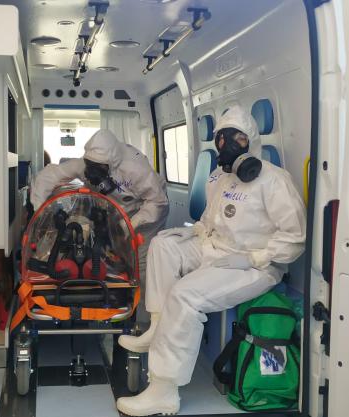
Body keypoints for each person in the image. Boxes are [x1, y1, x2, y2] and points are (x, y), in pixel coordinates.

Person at [115, 105, 306, 416]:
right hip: (214, 247)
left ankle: (164, 390)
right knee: (162, 244)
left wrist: (257, 257)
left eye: (237, 139)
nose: (227, 146)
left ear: (251, 141)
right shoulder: (220, 177)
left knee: (185, 295)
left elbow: (295, 237)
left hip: (256, 265)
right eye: (221, 139)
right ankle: (158, 327)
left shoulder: (274, 181)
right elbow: (211, 218)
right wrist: (194, 231)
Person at [31, 129, 169, 311]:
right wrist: (40, 210)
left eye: (99, 170)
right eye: (90, 167)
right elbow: (48, 176)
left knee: (141, 265)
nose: (92, 174)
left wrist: (130, 225)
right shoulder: (82, 165)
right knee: (115, 257)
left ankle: (147, 315)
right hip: (114, 211)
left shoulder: (135, 168)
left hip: (145, 215)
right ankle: (115, 301)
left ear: (111, 165)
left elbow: (158, 202)